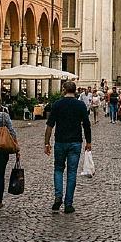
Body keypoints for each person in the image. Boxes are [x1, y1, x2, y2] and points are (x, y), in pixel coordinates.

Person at [44, 80, 92, 214]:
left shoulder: (57, 104)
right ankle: (68, 203)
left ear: (64, 89)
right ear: (75, 90)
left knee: (58, 169)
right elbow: (86, 125)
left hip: (60, 142)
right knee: (71, 172)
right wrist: (89, 141)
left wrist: (47, 143)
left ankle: (58, 196)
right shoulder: (80, 105)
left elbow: (50, 125)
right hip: (75, 142)